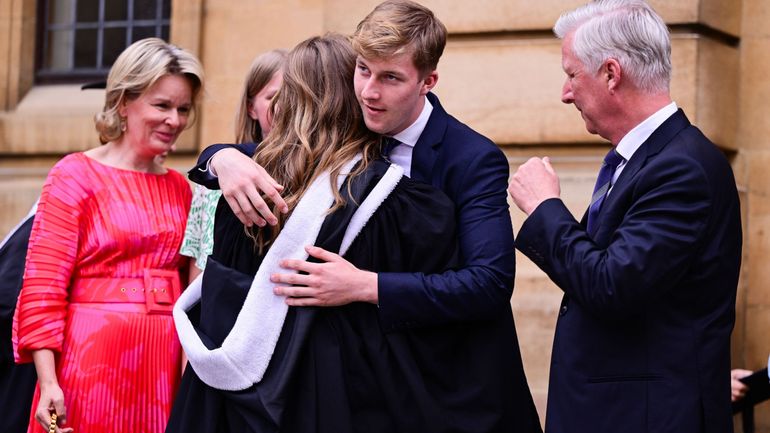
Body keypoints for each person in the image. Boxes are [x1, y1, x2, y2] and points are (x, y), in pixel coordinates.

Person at [187, 2, 541, 430]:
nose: (369, 92)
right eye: (362, 70)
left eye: (390, 78)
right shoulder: (348, 136)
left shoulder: (471, 158)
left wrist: (364, 285)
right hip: (358, 390)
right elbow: (276, 156)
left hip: (448, 382)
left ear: (427, 81)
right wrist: (220, 157)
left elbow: (489, 282)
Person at [168, 32, 460, 433]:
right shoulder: (397, 203)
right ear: (354, 94)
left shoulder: (243, 191)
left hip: (229, 406)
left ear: (289, 99)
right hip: (335, 398)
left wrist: (220, 158)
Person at [507, 1, 742, 432]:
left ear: (611, 73)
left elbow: (612, 285)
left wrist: (545, 208)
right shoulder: (644, 161)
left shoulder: (682, 167)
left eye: (572, 74)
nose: (564, 92)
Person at [13, 38, 203, 433]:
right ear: (123, 102)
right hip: (91, 360)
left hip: (164, 363)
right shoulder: (74, 175)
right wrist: (48, 382)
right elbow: (42, 288)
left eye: (184, 109)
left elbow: (194, 292)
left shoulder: (184, 190)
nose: (176, 120)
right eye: (162, 105)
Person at [180, 49, 286, 282]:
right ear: (251, 108)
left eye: (293, 98)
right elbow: (199, 264)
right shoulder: (212, 176)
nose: (283, 107)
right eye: (272, 97)